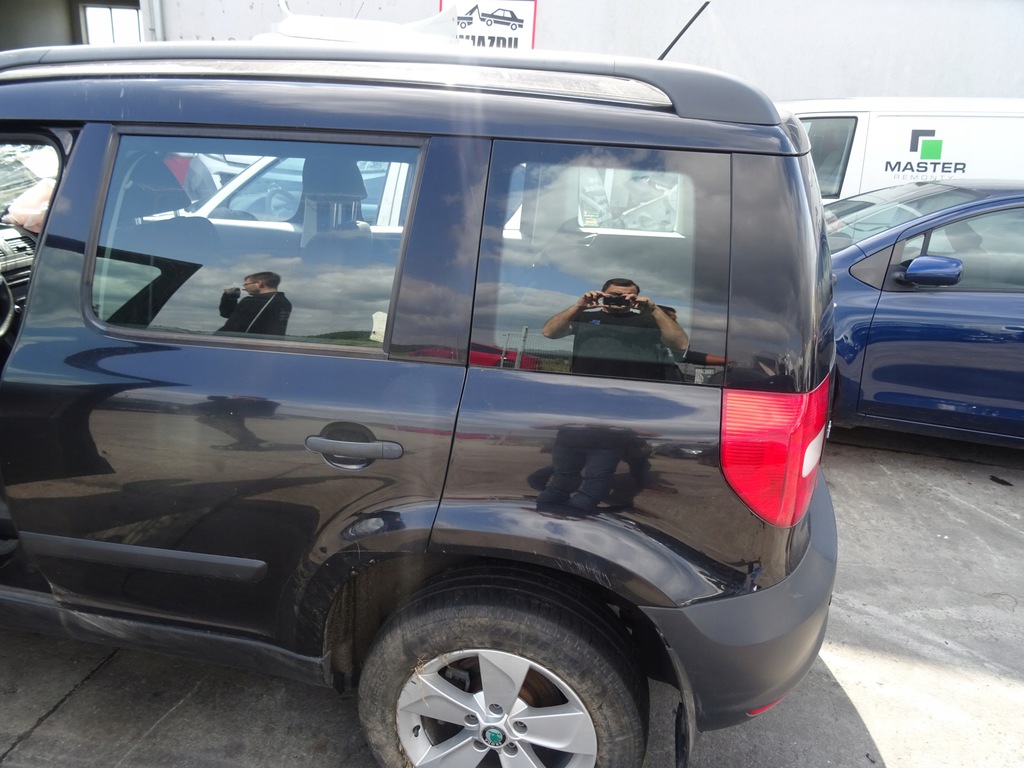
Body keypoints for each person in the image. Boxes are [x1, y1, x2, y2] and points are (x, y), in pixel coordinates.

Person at [542, 277, 688, 380]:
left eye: (628, 296)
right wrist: (578, 306)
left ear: (636, 298)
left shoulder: (648, 320)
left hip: (638, 387)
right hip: (586, 383)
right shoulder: (584, 317)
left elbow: (681, 345)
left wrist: (654, 309)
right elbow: (549, 332)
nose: (620, 299)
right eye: (614, 295)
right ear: (601, 295)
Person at [218, 271, 292, 335]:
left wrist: (229, 297)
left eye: (247, 284)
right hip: (261, 344)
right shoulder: (283, 302)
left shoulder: (253, 301)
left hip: (240, 342)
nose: (245, 287)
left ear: (259, 283)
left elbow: (232, 321)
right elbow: (232, 315)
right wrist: (230, 298)